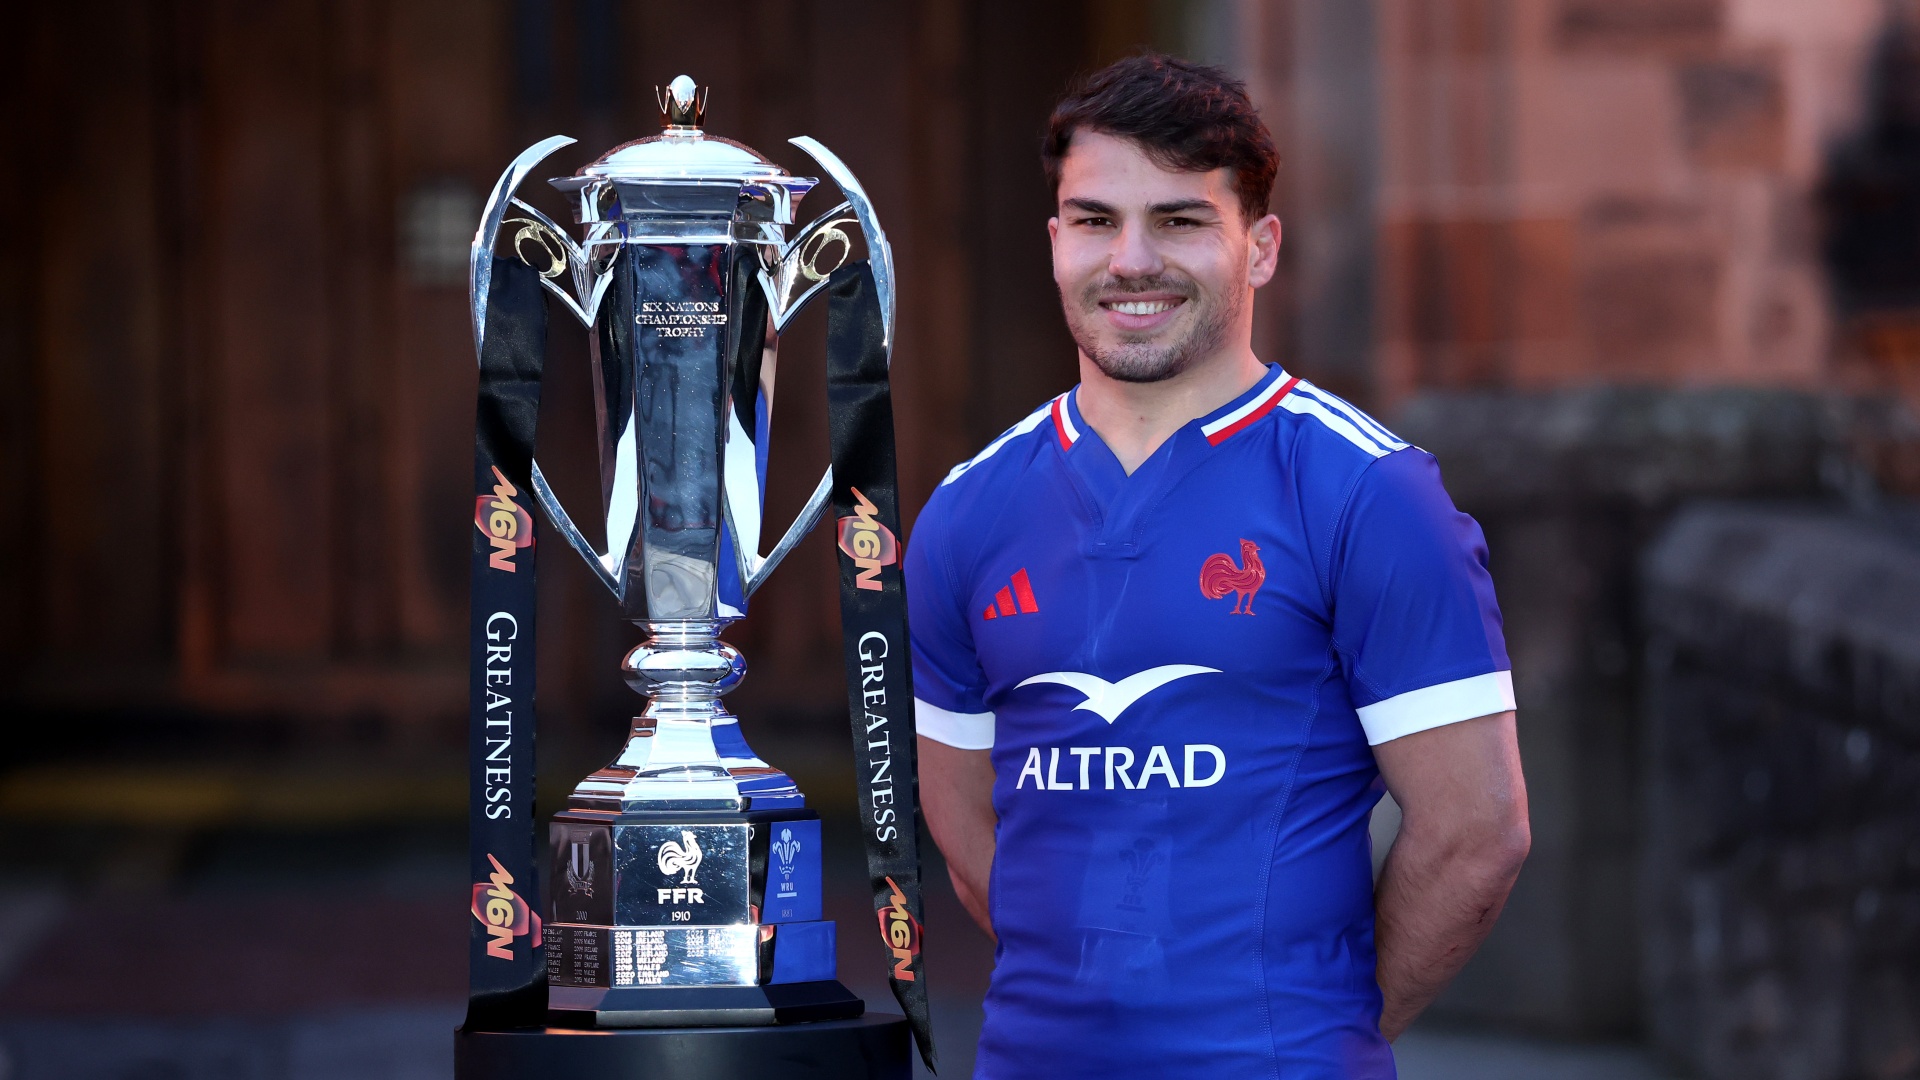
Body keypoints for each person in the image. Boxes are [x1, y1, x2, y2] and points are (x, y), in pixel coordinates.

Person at [907, 54, 1530, 1078]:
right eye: (1097, 220)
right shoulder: (968, 512)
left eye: (1182, 220)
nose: (1134, 259)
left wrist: (1327, 1028)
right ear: (1056, 242)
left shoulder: (1369, 494)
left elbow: (1478, 831)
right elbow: (966, 827)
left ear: (1261, 246)